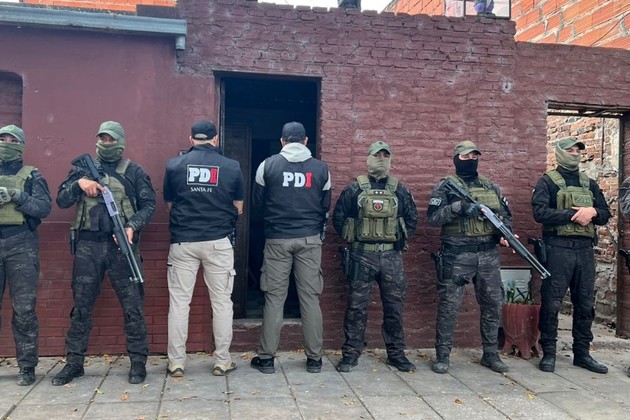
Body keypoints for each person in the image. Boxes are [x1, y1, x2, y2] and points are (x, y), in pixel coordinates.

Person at [53, 121, 156, 386]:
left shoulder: (134, 171)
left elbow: (149, 205)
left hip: (122, 246)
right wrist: (79, 184)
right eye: (102, 138)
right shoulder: (81, 170)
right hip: (88, 246)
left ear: (120, 142)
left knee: (133, 306)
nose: (106, 143)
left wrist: (132, 226)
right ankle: (74, 363)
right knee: (81, 307)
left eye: (111, 139)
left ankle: (138, 362)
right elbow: (61, 200)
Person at [163, 120, 244, 377]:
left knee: (179, 303)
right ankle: (222, 361)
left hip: (183, 241)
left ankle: (176, 363)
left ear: (191, 139)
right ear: (215, 139)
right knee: (221, 303)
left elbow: (169, 205)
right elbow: (239, 207)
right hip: (218, 241)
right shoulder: (232, 167)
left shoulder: (174, 165)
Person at [250, 122, 331, 374]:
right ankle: (315, 359)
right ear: (306, 141)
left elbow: (257, 204)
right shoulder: (321, 169)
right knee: (310, 297)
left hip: (277, 239)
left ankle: (266, 359)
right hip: (309, 239)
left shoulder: (267, 165)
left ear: (282, 141)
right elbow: (325, 205)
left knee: (274, 298)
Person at [427, 140, 511, 374]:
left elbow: (505, 216)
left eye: (474, 156)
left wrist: (504, 234)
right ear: (456, 159)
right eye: (465, 157)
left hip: (488, 254)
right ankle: (443, 355)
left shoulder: (491, 187)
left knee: (493, 304)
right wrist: (458, 208)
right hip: (457, 256)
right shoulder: (445, 187)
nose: (471, 160)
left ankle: (490, 354)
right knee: (449, 306)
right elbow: (432, 218)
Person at [332, 141, 417, 373]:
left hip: (391, 256)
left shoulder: (399, 189)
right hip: (361, 255)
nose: (381, 159)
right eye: (376, 155)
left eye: (385, 155)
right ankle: (350, 354)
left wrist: (394, 239)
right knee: (356, 307)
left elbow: (412, 220)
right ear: (368, 158)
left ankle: (396, 355)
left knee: (394, 307)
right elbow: (339, 219)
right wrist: (356, 237)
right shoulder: (354, 188)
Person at [532, 137, 610, 374]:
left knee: (585, 304)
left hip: (585, 251)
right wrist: (573, 215)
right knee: (552, 302)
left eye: (578, 150)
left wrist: (592, 211)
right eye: (570, 150)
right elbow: (539, 213)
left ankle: (582, 354)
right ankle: (549, 353)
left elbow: (605, 214)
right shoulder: (547, 182)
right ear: (559, 153)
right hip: (557, 249)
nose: (575, 154)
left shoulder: (589, 183)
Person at [0, 125, 52, 386]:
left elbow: (43, 208)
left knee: (23, 310)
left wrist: (18, 196)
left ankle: (27, 367)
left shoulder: (32, 175)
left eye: (13, 140)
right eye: (3, 139)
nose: (6, 143)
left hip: (21, 244)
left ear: (21, 145)